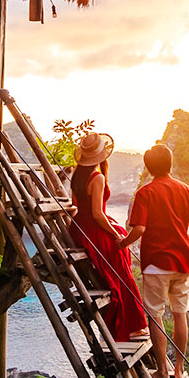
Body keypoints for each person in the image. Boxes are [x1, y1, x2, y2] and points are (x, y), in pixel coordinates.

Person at [118, 143, 189, 378]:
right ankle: (179, 368)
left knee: (155, 317)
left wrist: (122, 243)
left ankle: (163, 372)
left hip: (156, 263)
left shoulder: (145, 193)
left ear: (148, 167)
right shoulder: (185, 189)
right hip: (183, 263)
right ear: (170, 163)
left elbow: (139, 229)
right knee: (180, 315)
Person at [66, 132, 149, 343]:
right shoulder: (98, 178)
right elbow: (97, 214)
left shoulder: (77, 174)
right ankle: (133, 327)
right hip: (93, 230)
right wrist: (114, 233)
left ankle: (131, 324)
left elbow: (76, 205)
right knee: (122, 269)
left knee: (120, 262)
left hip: (79, 228)